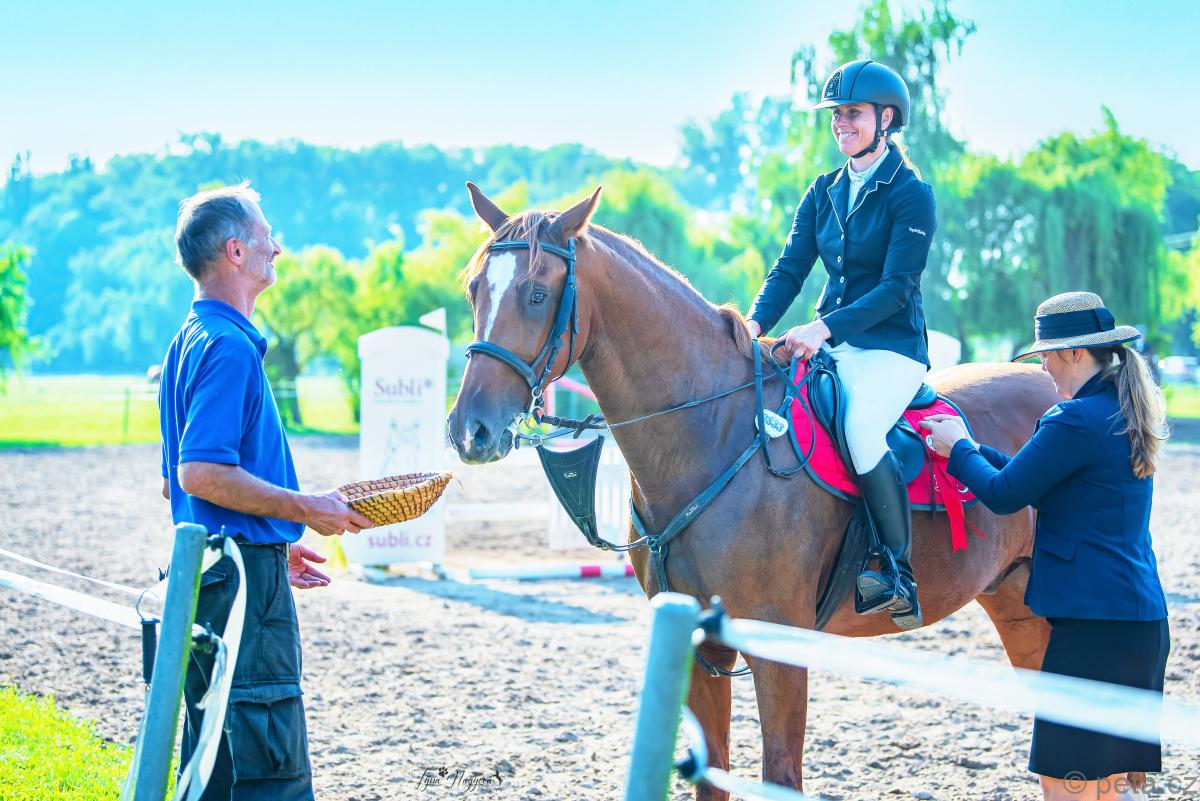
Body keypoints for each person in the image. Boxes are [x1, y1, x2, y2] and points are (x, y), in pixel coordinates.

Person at [159, 182, 373, 800]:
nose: (276, 247)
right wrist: (304, 510)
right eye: (265, 236)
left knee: (214, 767)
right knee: (270, 767)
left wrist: (272, 540)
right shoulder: (229, 348)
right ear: (235, 251)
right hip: (243, 588)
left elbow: (175, 483)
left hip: (212, 574)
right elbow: (199, 472)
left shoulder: (189, 341)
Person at [921, 291, 1170, 801]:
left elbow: (1004, 494)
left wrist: (957, 447)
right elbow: (1028, 475)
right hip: (1135, 621)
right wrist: (972, 446)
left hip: (1093, 631)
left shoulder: (1073, 420)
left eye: (1047, 356)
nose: (1043, 368)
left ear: (1075, 353)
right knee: (1099, 786)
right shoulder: (1115, 412)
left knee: (1065, 786)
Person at [746, 59, 936, 628]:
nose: (841, 124)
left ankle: (897, 571)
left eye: (852, 113)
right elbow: (790, 268)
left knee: (859, 427)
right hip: (832, 342)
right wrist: (752, 326)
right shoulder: (823, 190)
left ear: (885, 119)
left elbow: (897, 289)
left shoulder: (911, 194)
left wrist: (822, 328)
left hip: (891, 348)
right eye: (836, 115)